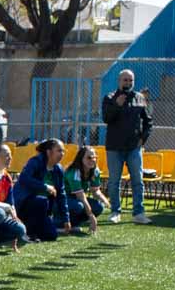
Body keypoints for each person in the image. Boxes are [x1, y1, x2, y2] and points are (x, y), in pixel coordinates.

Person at [102, 69, 153, 225]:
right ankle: (115, 212)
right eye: (125, 80)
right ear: (119, 81)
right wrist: (117, 105)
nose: (128, 83)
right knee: (114, 181)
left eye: (130, 80)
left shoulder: (139, 98)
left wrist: (142, 139)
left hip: (133, 148)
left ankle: (139, 213)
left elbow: (148, 121)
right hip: (114, 147)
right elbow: (106, 118)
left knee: (137, 181)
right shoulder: (110, 98)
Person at [14, 138, 71, 242]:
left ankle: (31, 230)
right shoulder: (35, 162)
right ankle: (28, 232)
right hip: (25, 204)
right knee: (41, 201)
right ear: (49, 152)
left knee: (51, 236)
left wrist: (66, 219)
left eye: (63, 151)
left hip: (43, 209)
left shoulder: (58, 169)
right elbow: (24, 178)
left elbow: (61, 194)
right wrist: (45, 187)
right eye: (59, 150)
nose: (62, 154)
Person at [63, 146, 109, 234]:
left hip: (76, 199)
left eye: (95, 157)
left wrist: (104, 199)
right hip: (61, 199)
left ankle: (75, 223)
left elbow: (95, 190)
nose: (93, 160)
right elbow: (81, 196)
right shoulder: (74, 172)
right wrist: (91, 216)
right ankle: (58, 223)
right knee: (78, 206)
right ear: (81, 158)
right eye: (89, 157)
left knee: (99, 206)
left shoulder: (95, 171)